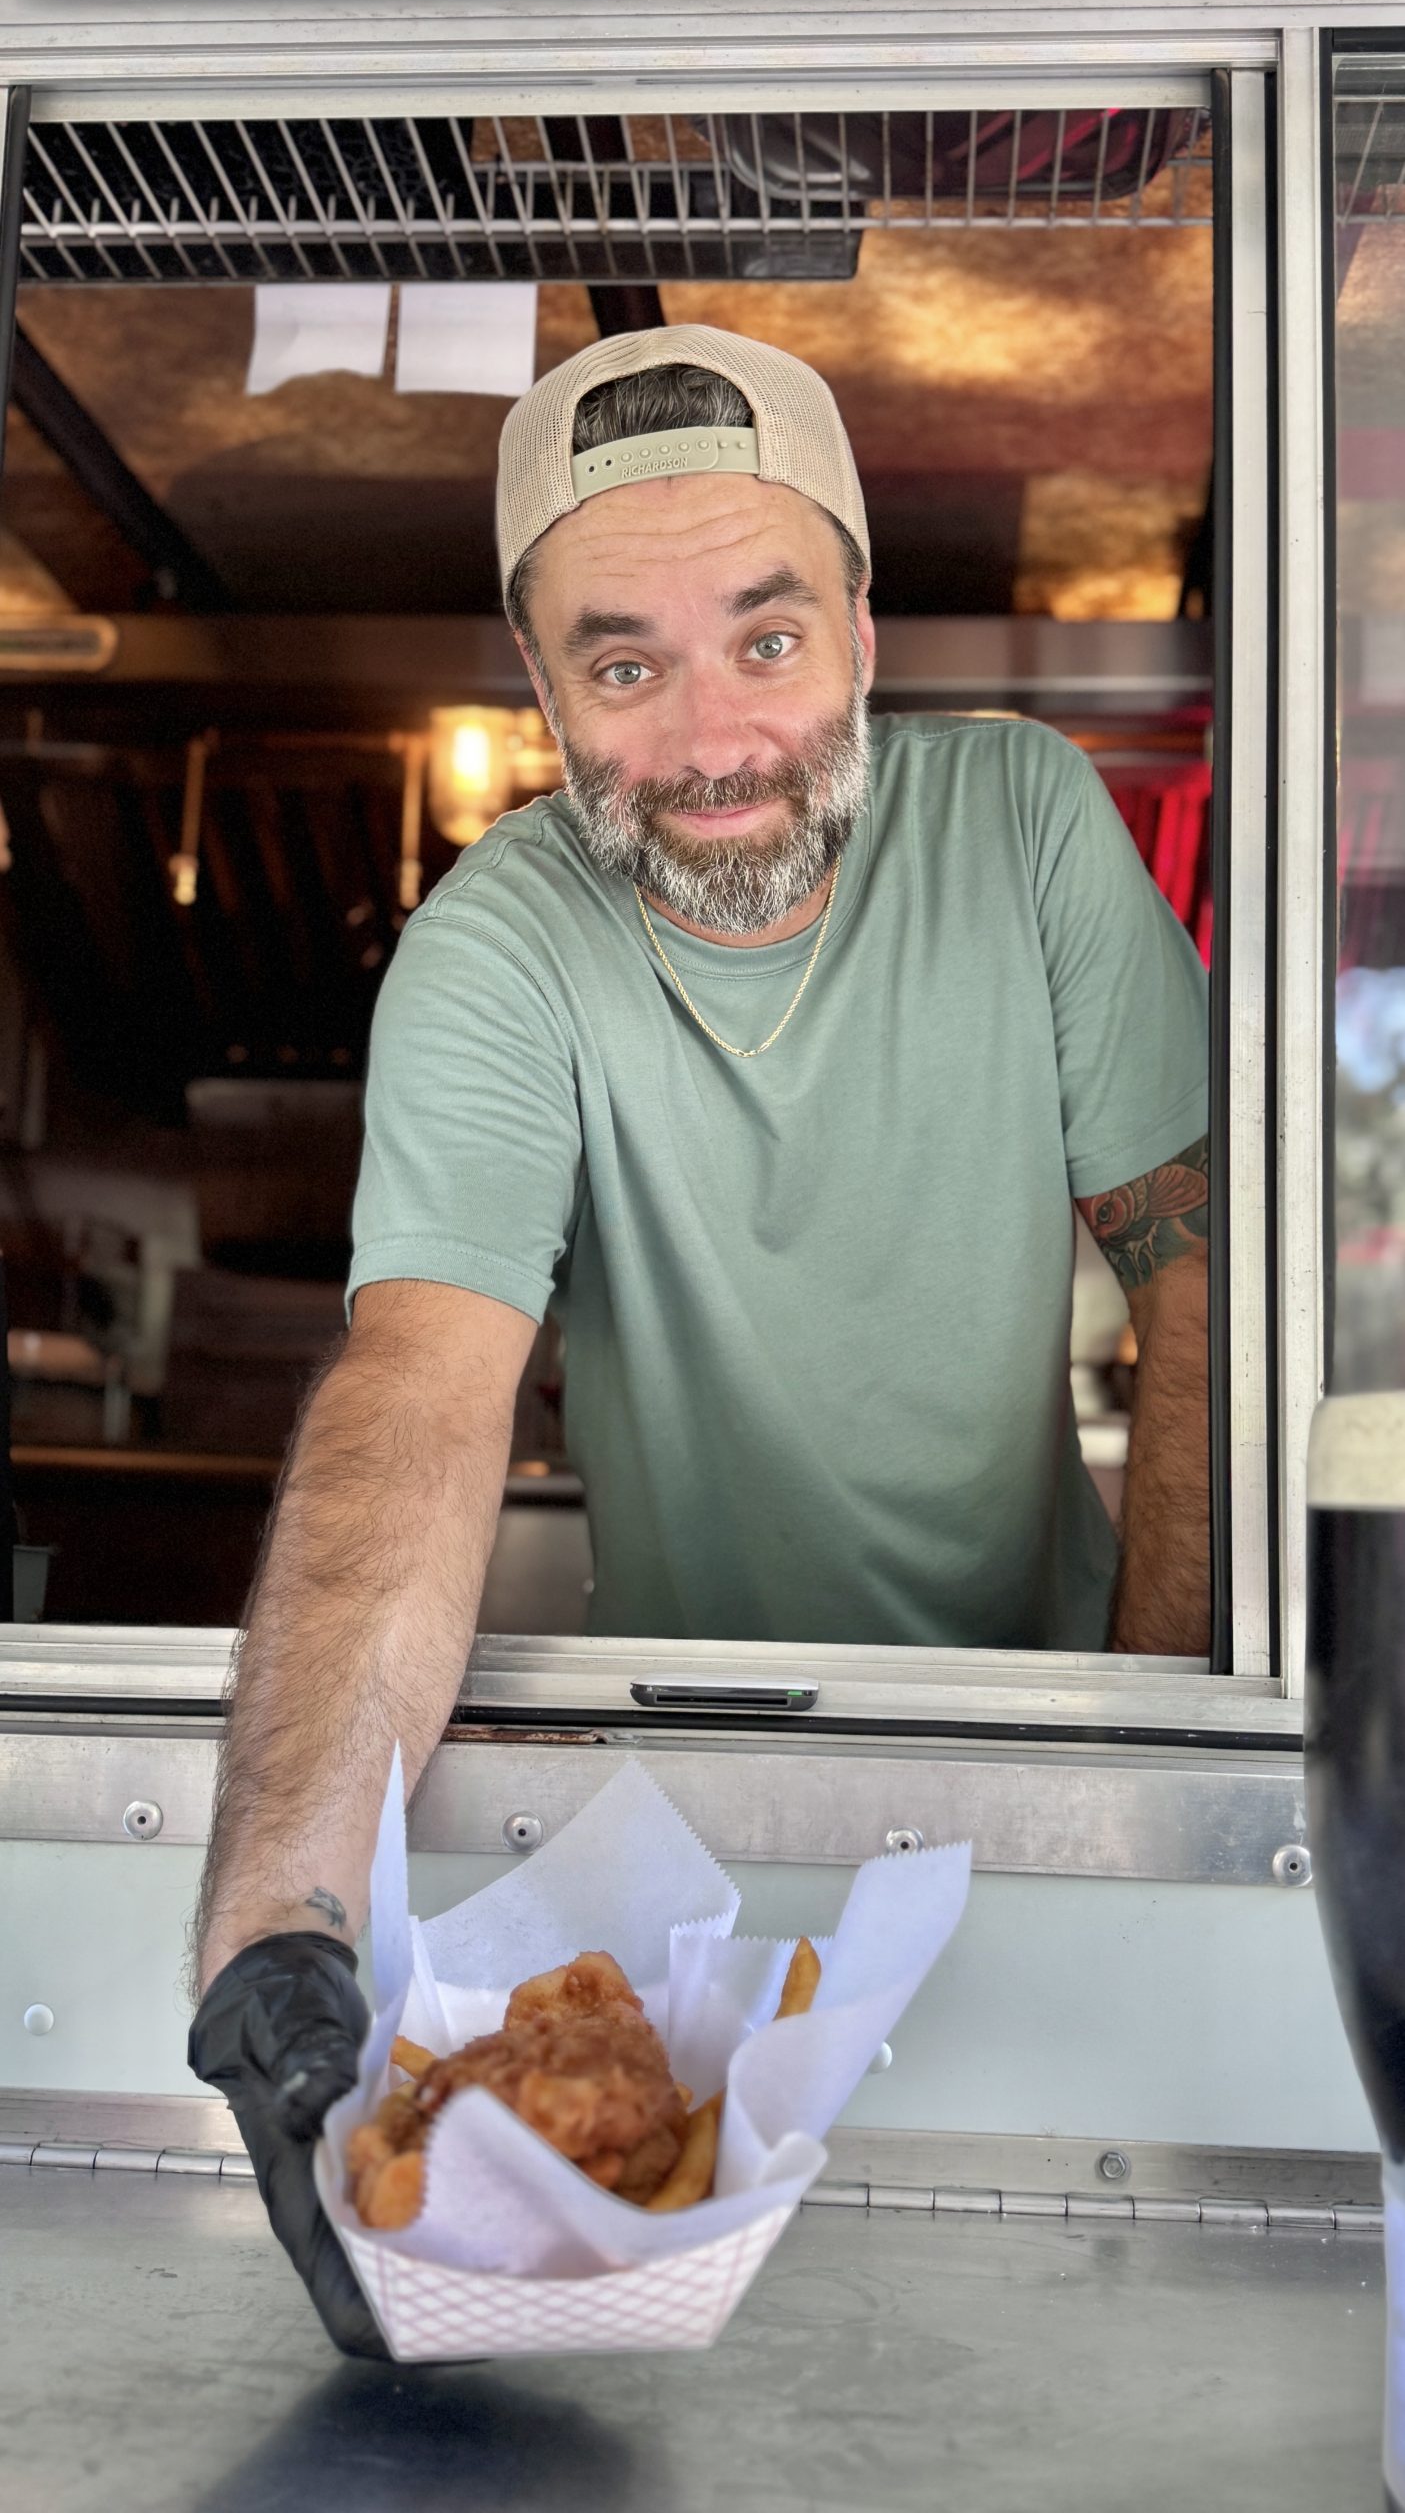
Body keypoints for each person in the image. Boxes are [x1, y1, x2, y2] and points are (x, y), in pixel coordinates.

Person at [189, 325, 1209, 2349]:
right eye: (624, 666)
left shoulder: (1021, 823)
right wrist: (276, 1919)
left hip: (1056, 1710)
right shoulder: (499, 947)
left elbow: (1199, 1291)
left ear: (862, 623)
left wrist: (1152, 1758)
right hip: (681, 1810)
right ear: (541, 685)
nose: (716, 741)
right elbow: (419, 1388)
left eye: (767, 638)